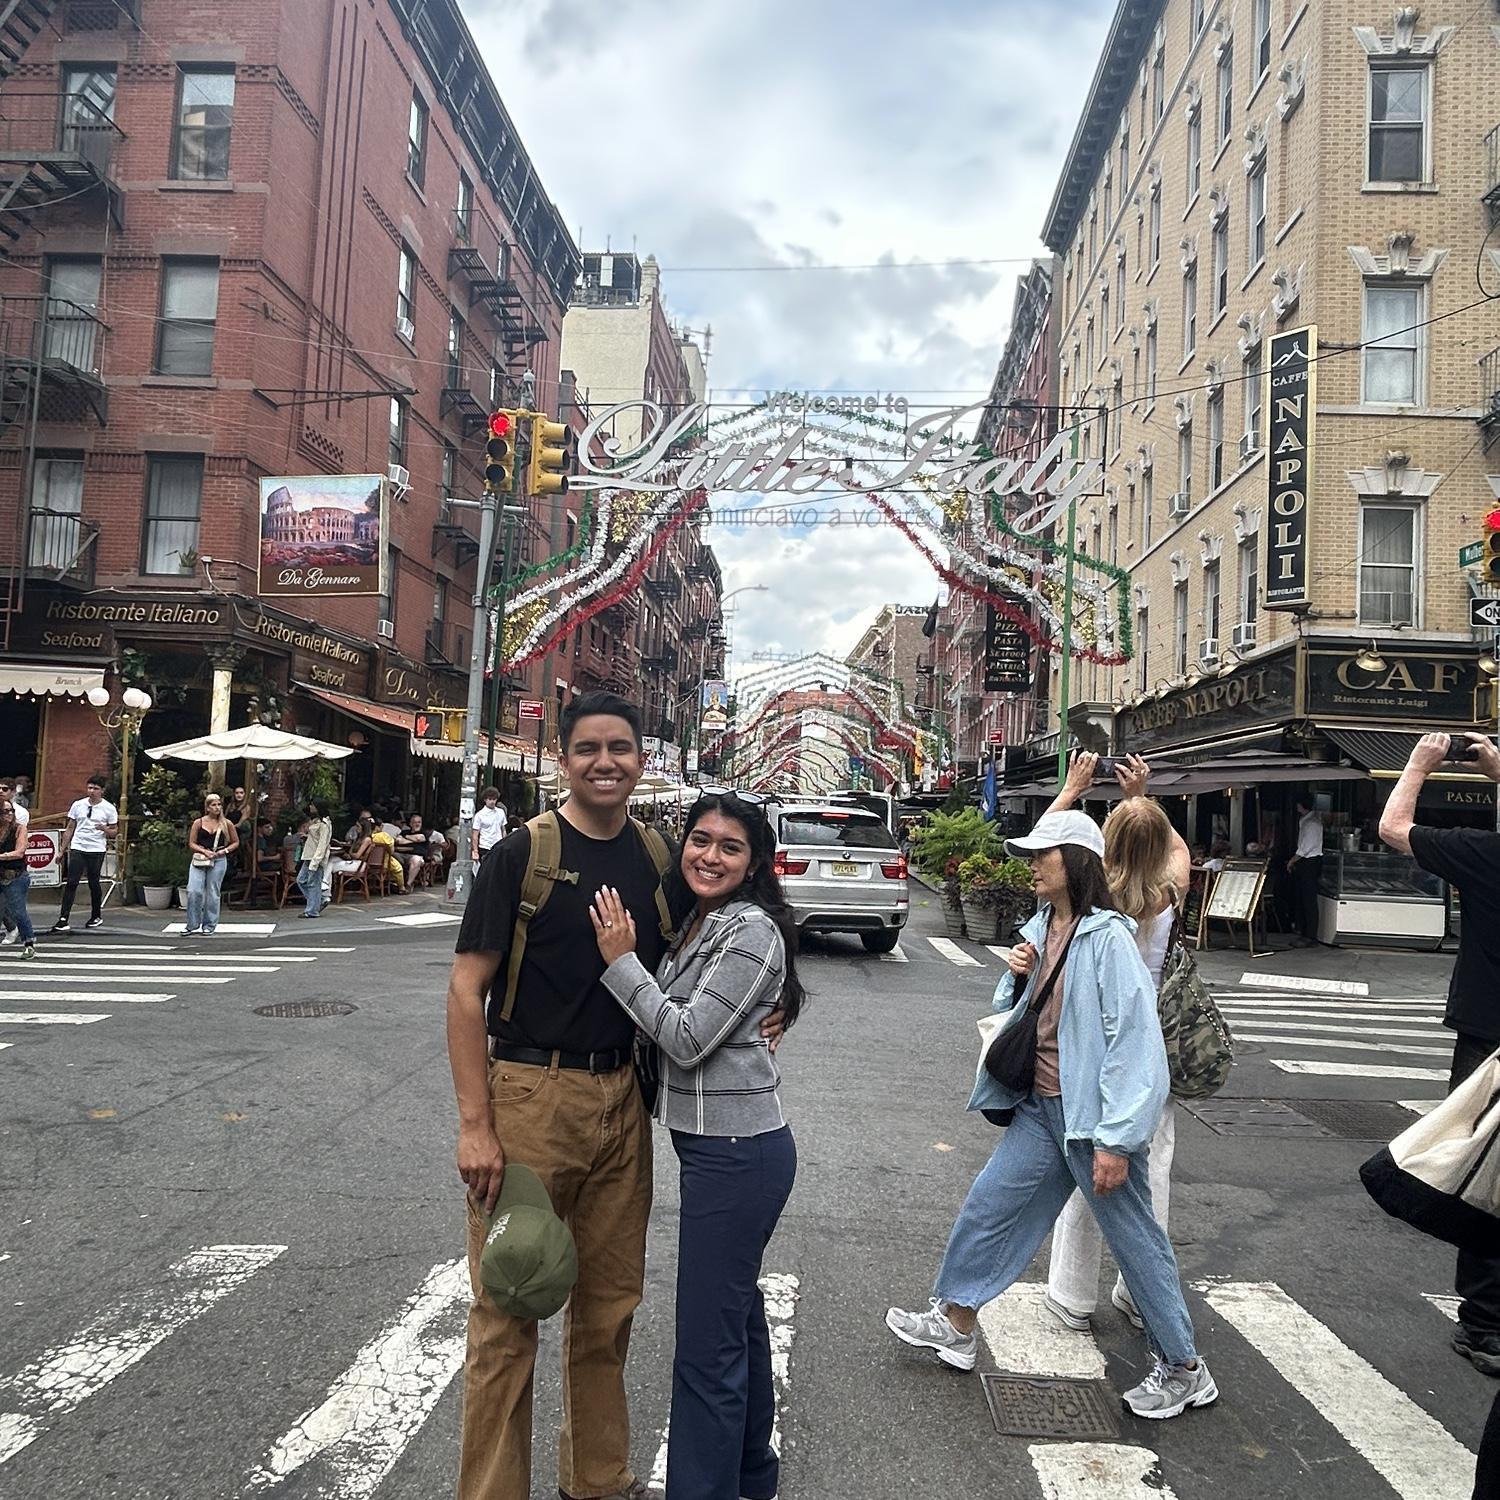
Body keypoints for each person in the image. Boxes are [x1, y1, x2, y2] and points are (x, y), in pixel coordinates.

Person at [445, 692, 699, 1500]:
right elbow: (466, 990)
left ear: (641, 760)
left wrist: (777, 1002)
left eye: (619, 748)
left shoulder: (659, 858)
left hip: (623, 1098)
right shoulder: (522, 853)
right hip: (530, 1098)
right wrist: (476, 1126)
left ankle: (598, 1482)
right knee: (509, 1309)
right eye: (588, 748)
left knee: (608, 1312)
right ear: (564, 759)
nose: (605, 762)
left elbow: (722, 937)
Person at [884, 809, 1217, 1421]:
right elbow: (1024, 1014)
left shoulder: (1108, 938)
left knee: (1135, 1241)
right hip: (1040, 1108)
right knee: (990, 1205)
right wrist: (1017, 977)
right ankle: (956, 1322)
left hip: (1092, 1120)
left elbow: (1134, 1043)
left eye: (1044, 855)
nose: (1032, 866)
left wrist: (1117, 1140)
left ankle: (1184, 1368)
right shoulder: (1043, 926)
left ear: (1077, 863)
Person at [590, 791, 804, 1500]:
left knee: (707, 1347)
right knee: (735, 1319)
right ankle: (751, 1475)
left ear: (755, 863)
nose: (710, 856)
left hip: (737, 1154)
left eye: (730, 847)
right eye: (701, 840)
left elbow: (686, 1039)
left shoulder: (750, 929)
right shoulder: (699, 920)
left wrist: (622, 962)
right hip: (720, 1148)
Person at [1038, 752, 1193, 1333]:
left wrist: (1073, 789)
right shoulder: (1170, 893)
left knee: (1087, 1164)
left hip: (1089, 1044)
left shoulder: (1092, 897)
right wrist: (1141, 797)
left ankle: (1072, 1293)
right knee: (1153, 1170)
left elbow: (1048, 843)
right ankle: (1138, 1289)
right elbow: (1175, 849)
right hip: (1151, 1047)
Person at [1379, 732, 1500, 1379]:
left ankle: (1485, 1322)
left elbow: (1394, 828)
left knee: (1485, 1173)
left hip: (1490, 1035)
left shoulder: (1485, 855)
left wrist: (1419, 764)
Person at [51, 774, 117, 932]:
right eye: (90, 788)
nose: (92, 791)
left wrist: (105, 829)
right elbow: (70, 827)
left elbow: (114, 831)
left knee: (94, 882)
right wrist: (62, 850)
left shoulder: (108, 808)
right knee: (72, 882)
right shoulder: (78, 805)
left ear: (102, 790)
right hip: (79, 846)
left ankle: (96, 915)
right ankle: (63, 918)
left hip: (96, 848)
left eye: (96, 788)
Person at [184, 792, 239, 936]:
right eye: (214, 805)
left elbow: (235, 842)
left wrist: (224, 851)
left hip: (218, 858)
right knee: (194, 890)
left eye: (219, 804)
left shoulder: (226, 823)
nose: (217, 807)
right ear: (207, 807)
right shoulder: (199, 822)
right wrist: (204, 851)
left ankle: (209, 924)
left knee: (212, 892)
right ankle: (192, 924)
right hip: (200, 858)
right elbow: (191, 843)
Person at [0, 792, 36, 958]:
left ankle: (29, 944)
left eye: (11, 811)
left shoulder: (19, 828)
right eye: (5, 811)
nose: (9, 814)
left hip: (15, 875)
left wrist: (2, 856)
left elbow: (20, 852)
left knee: (18, 911)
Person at [1287, 795, 1325, 944]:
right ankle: (1303, 931)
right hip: (1306, 862)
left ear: (1302, 805)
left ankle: (1310, 935)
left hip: (1310, 862)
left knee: (1309, 899)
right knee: (1303, 897)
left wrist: (1293, 860)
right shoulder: (1307, 821)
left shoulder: (1312, 824)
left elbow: (1305, 848)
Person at [297, 801, 332, 918]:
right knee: (301, 880)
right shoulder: (316, 821)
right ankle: (319, 900)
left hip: (315, 858)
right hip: (308, 855)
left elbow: (322, 844)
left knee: (313, 883)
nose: (311, 807)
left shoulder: (324, 824)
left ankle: (312, 910)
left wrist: (315, 862)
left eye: (313, 805)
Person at [471, 787, 508, 863]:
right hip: (485, 847)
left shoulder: (501, 812)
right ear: (485, 800)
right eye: (490, 799)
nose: (492, 802)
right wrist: (475, 851)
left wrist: (504, 843)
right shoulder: (479, 815)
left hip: (498, 846)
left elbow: (503, 829)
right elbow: (475, 834)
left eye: (494, 799)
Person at [396, 813, 430, 887]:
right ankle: (395, 883)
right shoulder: (404, 832)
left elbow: (419, 838)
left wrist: (406, 837)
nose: (417, 824)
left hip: (416, 855)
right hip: (400, 854)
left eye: (419, 822)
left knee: (416, 860)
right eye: (415, 822)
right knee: (390, 855)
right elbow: (398, 841)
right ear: (411, 824)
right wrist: (413, 840)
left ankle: (408, 884)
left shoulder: (424, 833)